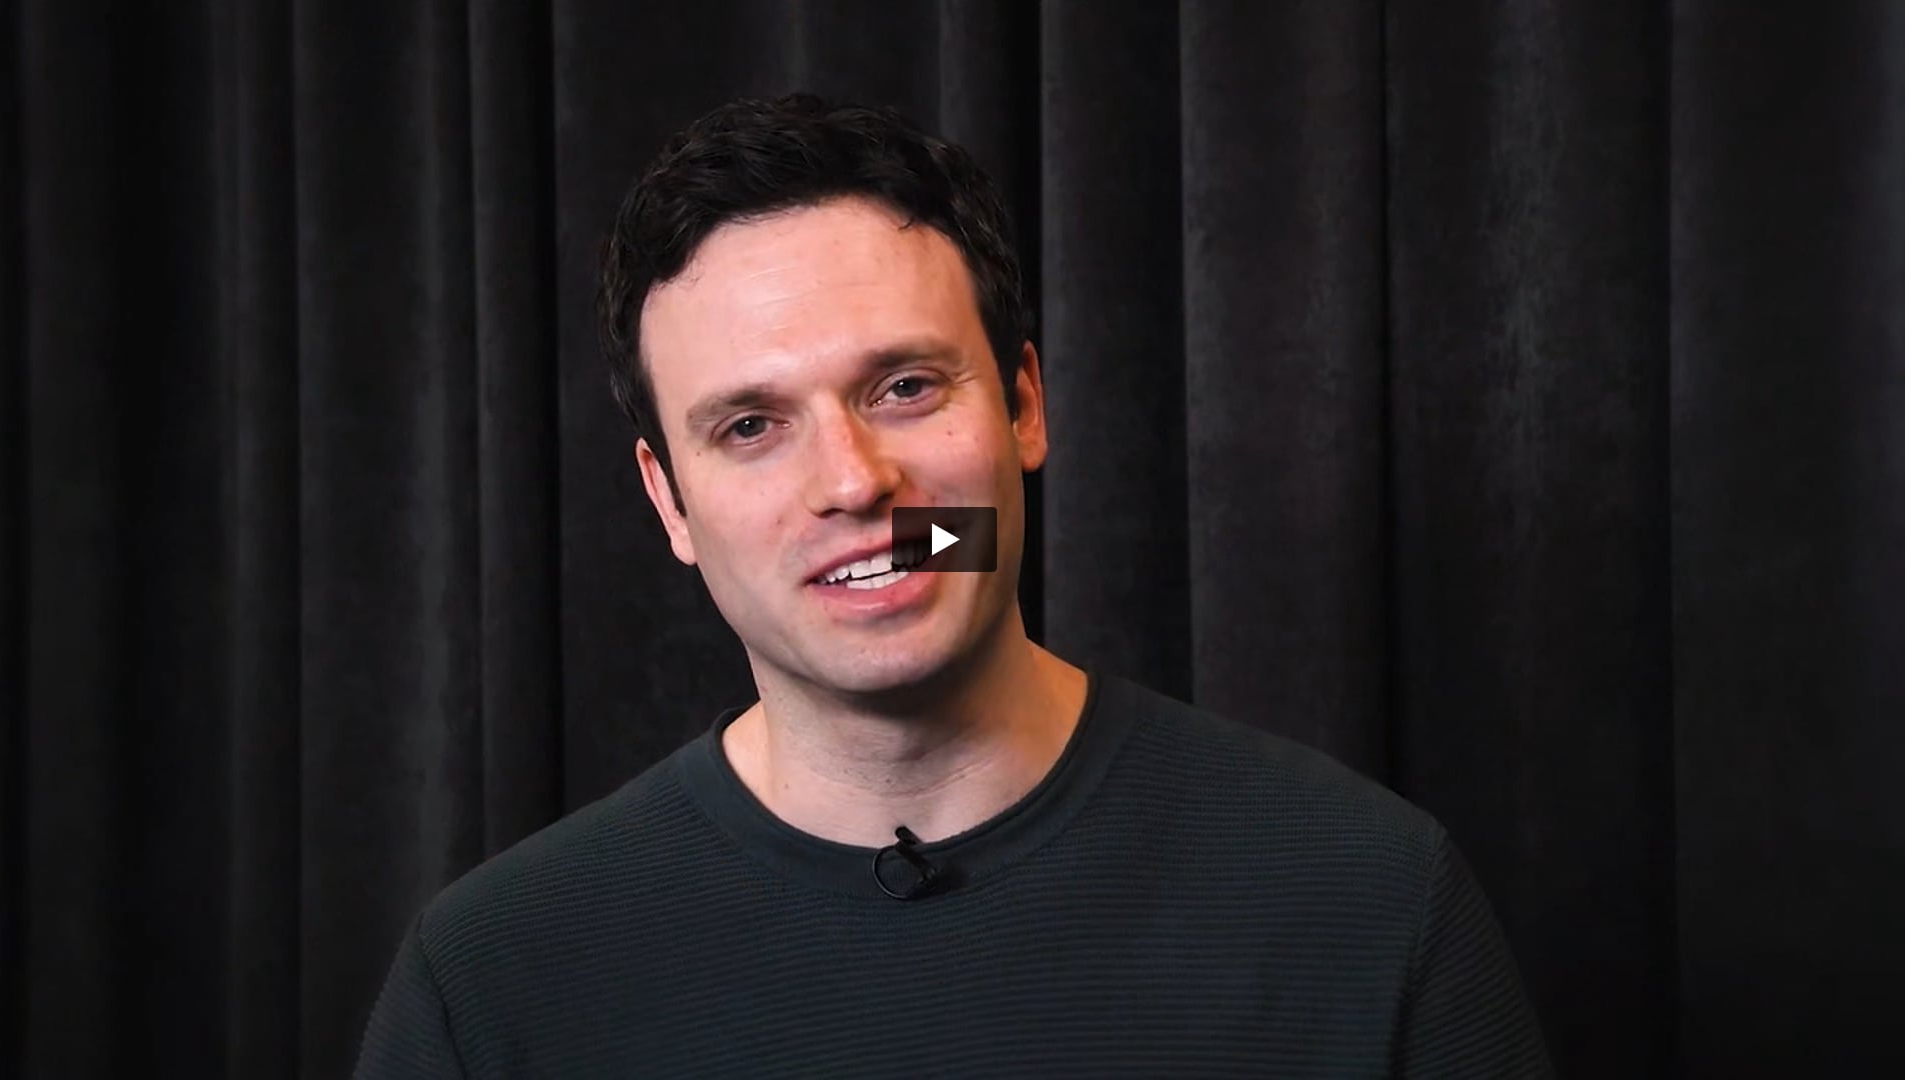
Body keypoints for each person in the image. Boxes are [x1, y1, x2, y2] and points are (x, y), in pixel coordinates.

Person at [353, 93, 1554, 1078]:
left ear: (1024, 403)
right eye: (752, 426)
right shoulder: (489, 986)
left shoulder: (1370, 898)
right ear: (670, 502)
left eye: (905, 389)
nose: (855, 486)